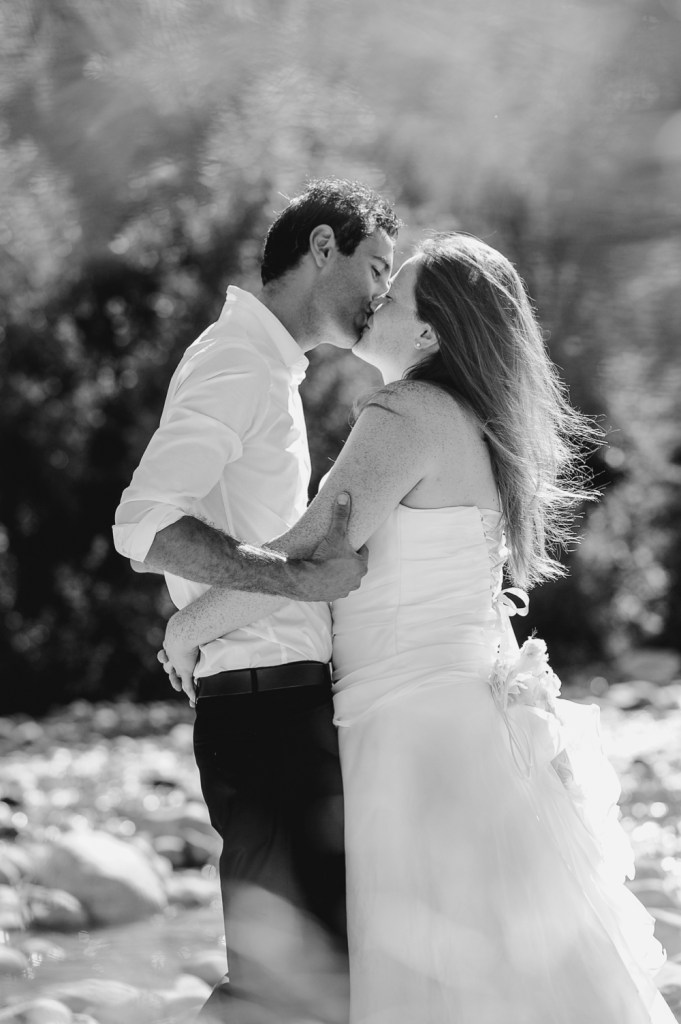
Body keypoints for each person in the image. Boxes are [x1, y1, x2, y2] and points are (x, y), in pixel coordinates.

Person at [162, 233, 675, 1023]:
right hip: (467, 727)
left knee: (425, 971)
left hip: (408, 733)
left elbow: (302, 556)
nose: (373, 302)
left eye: (391, 295)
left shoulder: (403, 414)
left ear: (429, 332)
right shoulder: (476, 423)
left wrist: (186, 628)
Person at [112, 177, 400, 1023]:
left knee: (301, 989)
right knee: (284, 999)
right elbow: (145, 525)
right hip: (265, 717)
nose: (382, 291)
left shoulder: (266, 366)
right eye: (375, 266)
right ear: (321, 249)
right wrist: (295, 580)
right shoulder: (236, 361)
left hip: (281, 711)